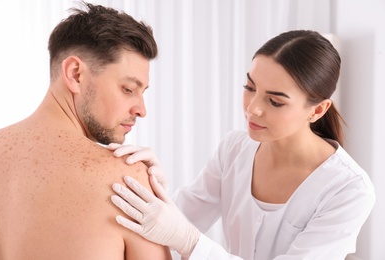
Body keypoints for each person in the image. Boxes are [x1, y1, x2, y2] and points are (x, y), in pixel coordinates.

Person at [109, 30, 376, 259]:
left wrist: (189, 241)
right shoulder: (234, 149)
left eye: (275, 101)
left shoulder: (349, 189)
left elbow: (182, 233)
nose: (253, 109)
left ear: (317, 111)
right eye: (249, 87)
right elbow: (176, 222)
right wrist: (154, 186)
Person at [0, 2, 172, 260]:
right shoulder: (126, 181)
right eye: (128, 89)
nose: (141, 109)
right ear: (76, 74)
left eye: (142, 93)